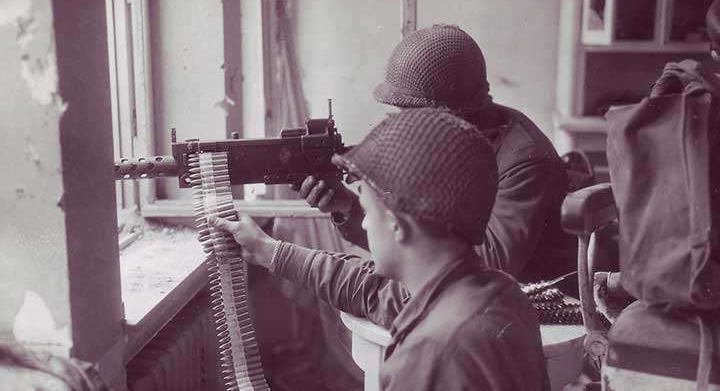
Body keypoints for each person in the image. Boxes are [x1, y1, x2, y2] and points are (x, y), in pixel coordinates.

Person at [209, 108, 549, 390]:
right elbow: (369, 287)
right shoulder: (501, 294)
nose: (365, 225)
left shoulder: (426, 357)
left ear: (399, 225)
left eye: (368, 212)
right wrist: (266, 250)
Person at [294, 24, 573, 284]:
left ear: (447, 113)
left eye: (410, 114)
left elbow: (490, 264)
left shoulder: (524, 160)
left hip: (538, 303)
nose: (404, 126)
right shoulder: (454, 144)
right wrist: (349, 208)